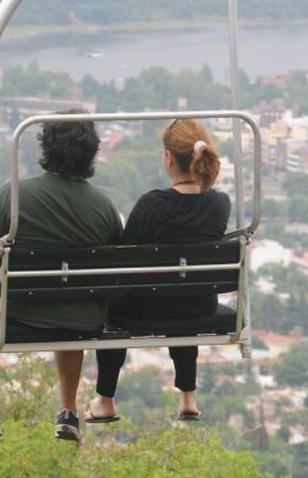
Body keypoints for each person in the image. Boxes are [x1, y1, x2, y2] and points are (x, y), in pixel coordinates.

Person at [0, 111, 122, 451]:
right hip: (81, 320)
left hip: (19, 316)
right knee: (70, 297)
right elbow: (113, 259)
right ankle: (68, 410)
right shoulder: (104, 207)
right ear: (91, 152)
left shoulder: (17, 196)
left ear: (46, 147)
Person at [85, 119, 231, 424]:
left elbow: (123, 260)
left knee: (114, 307)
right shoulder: (219, 204)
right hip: (198, 306)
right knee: (184, 289)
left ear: (167, 157)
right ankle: (188, 396)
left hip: (143, 309)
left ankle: (106, 400)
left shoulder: (152, 205)